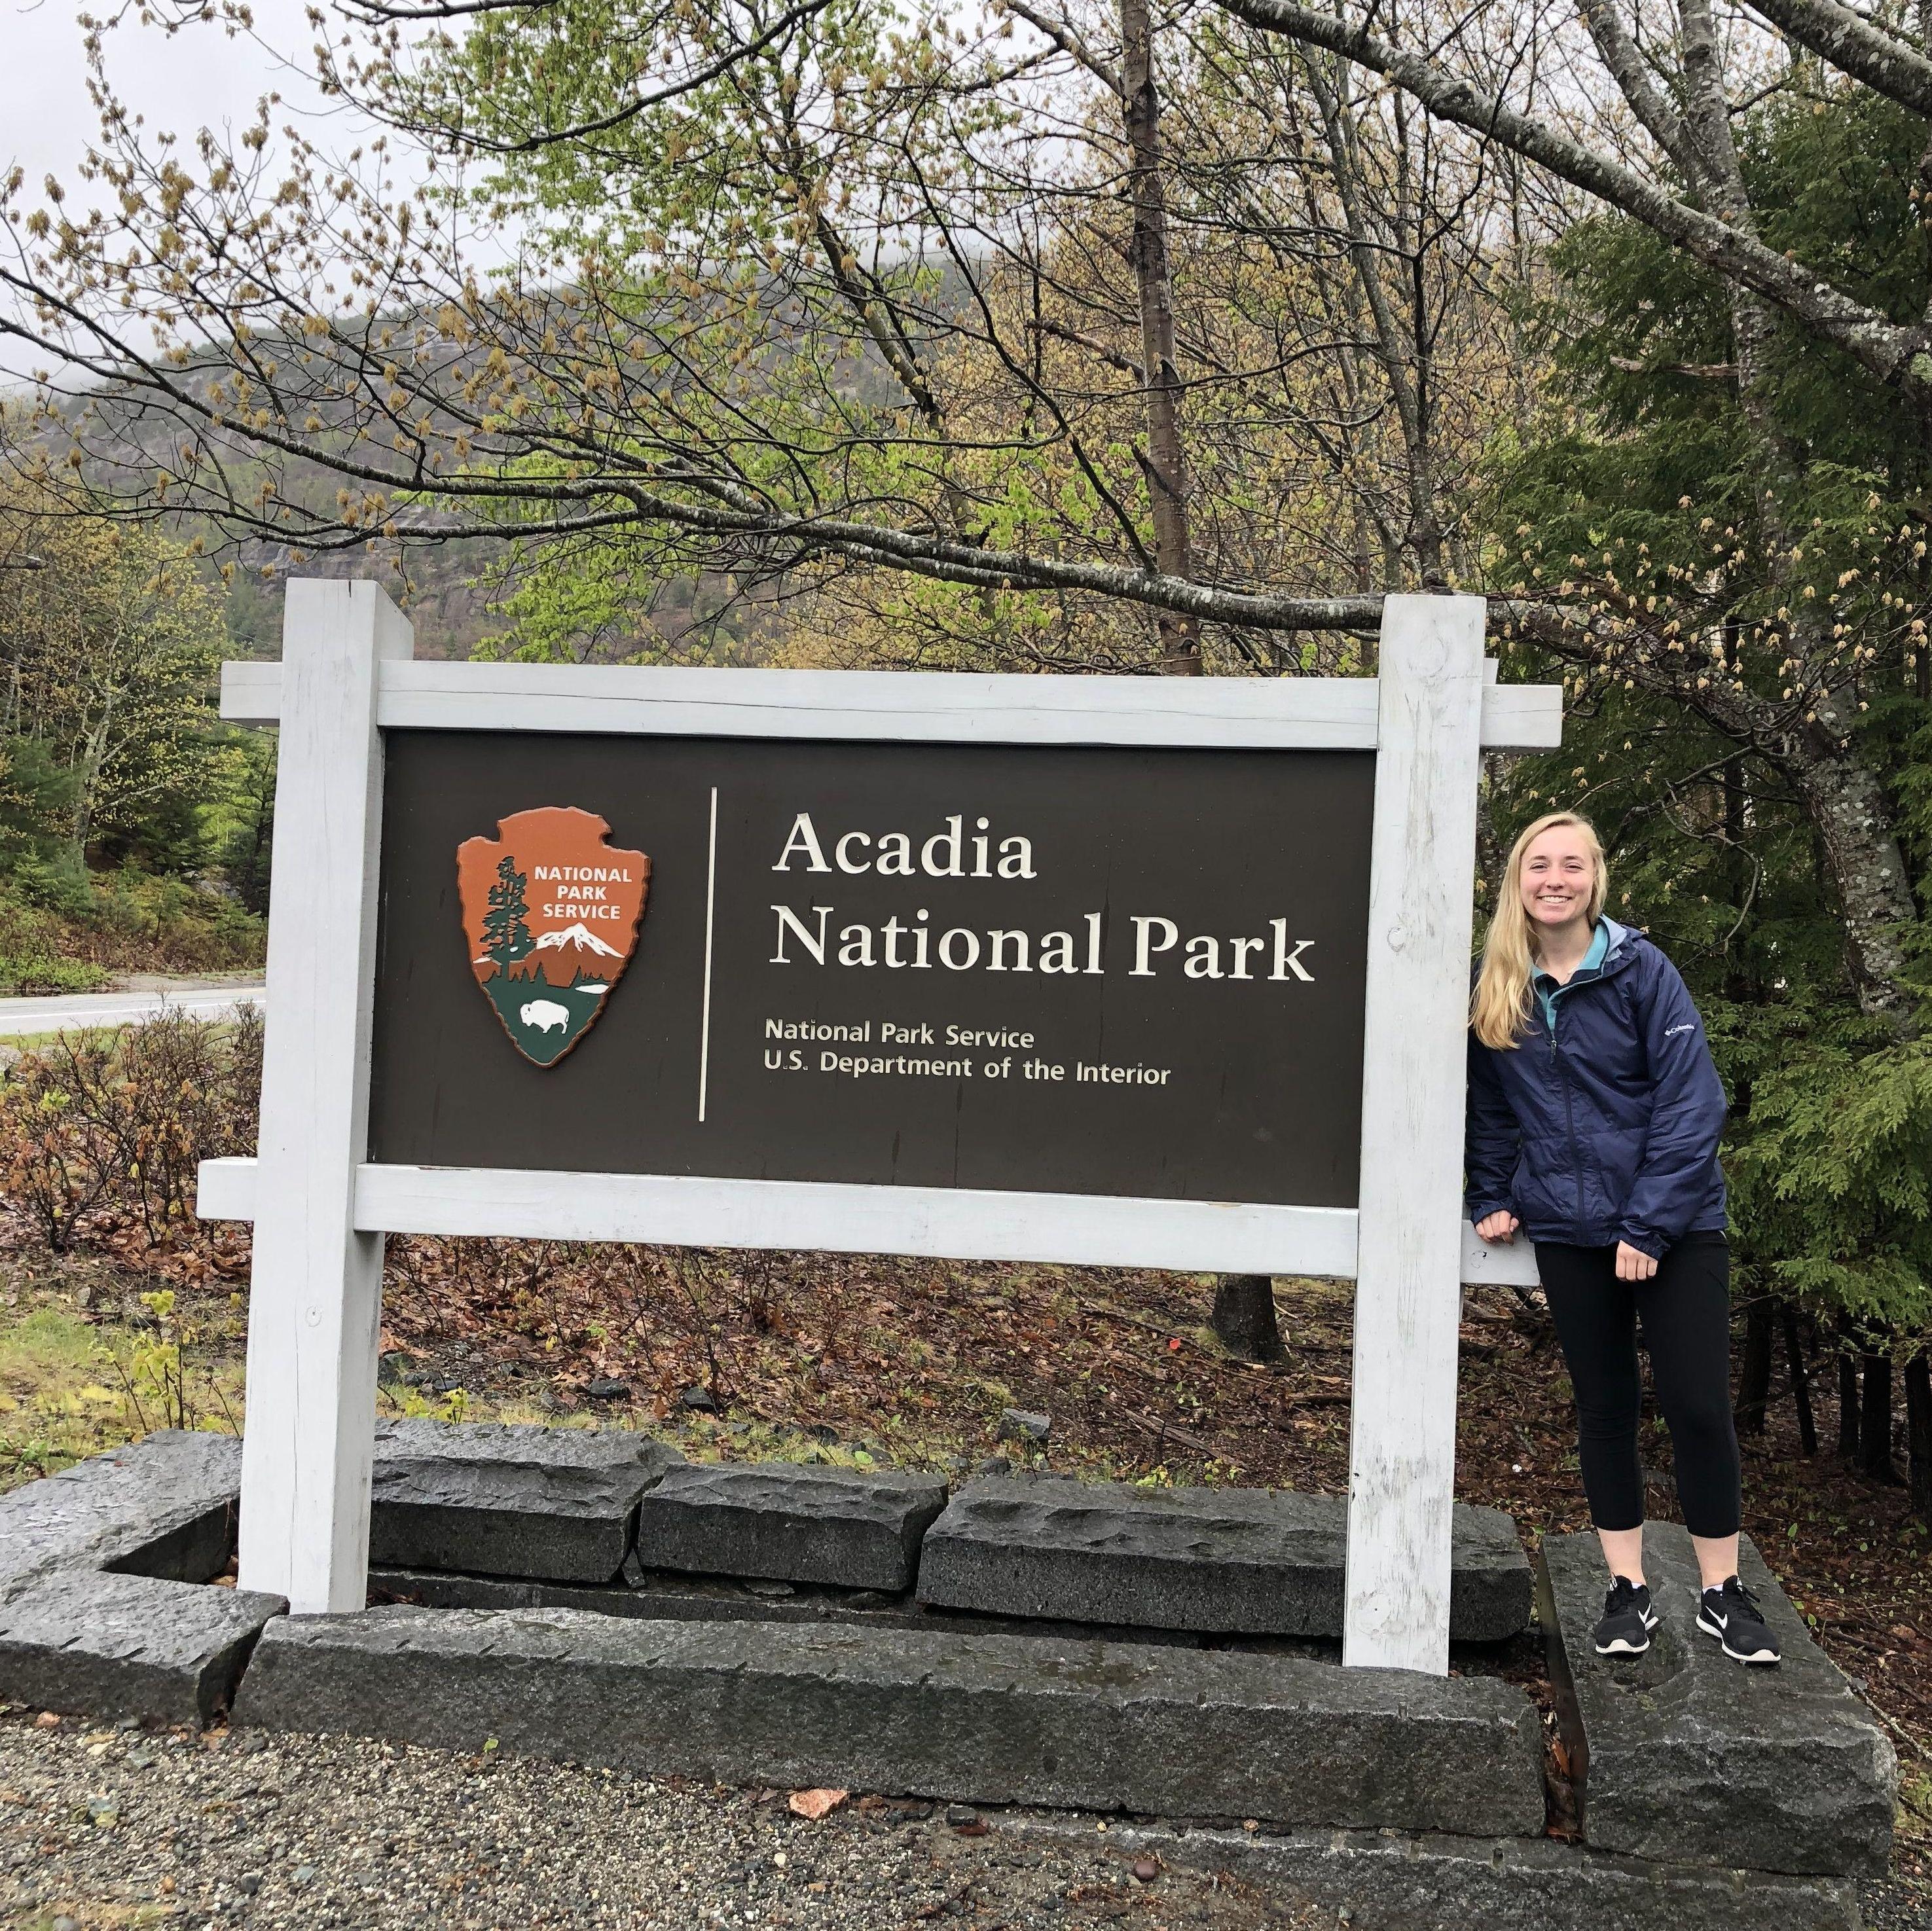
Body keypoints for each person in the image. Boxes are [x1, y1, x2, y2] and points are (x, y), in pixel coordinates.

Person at [1465, 810, 1779, 1666]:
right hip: (1568, 1230)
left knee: (1697, 1407)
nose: (1554, 878)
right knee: (1603, 1408)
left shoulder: (1642, 972)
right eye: (1539, 865)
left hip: (1675, 1228)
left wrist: (1647, 1223)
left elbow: (1693, 1102)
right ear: (1518, 882)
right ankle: (1627, 1589)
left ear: (1595, 879)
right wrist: (1490, 1191)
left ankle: (1722, 1592)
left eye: (1571, 864)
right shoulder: (1499, 982)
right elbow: (1491, 1105)